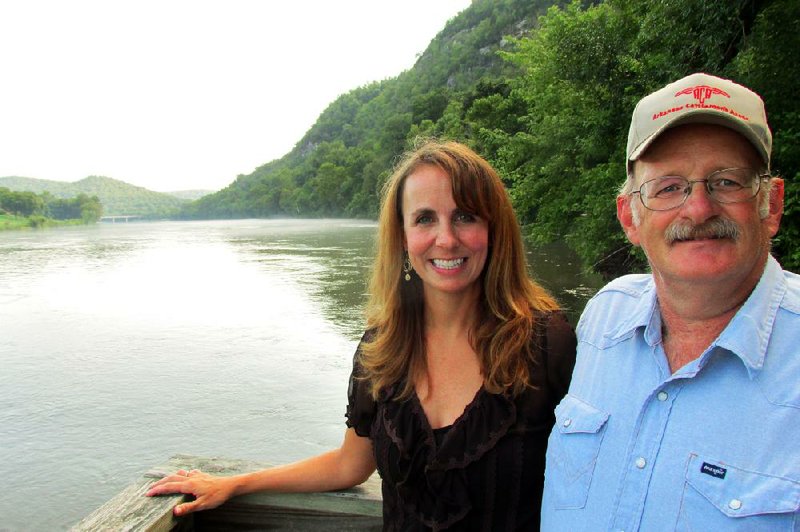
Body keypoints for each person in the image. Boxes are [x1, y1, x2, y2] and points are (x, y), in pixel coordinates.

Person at [147, 140, 577, 530]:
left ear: (494, 229)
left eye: (465, 216)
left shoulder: (545, 344)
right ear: (403, 236)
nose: (446, 239)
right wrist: (236, 484)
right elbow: (349, 466)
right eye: (425, 219)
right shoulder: (384, 348)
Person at [540, 72, 799, 531]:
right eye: (668, 188)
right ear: (630, 218)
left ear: (771, 205)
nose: (698, 209)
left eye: (726, 182)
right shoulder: (603, 317)